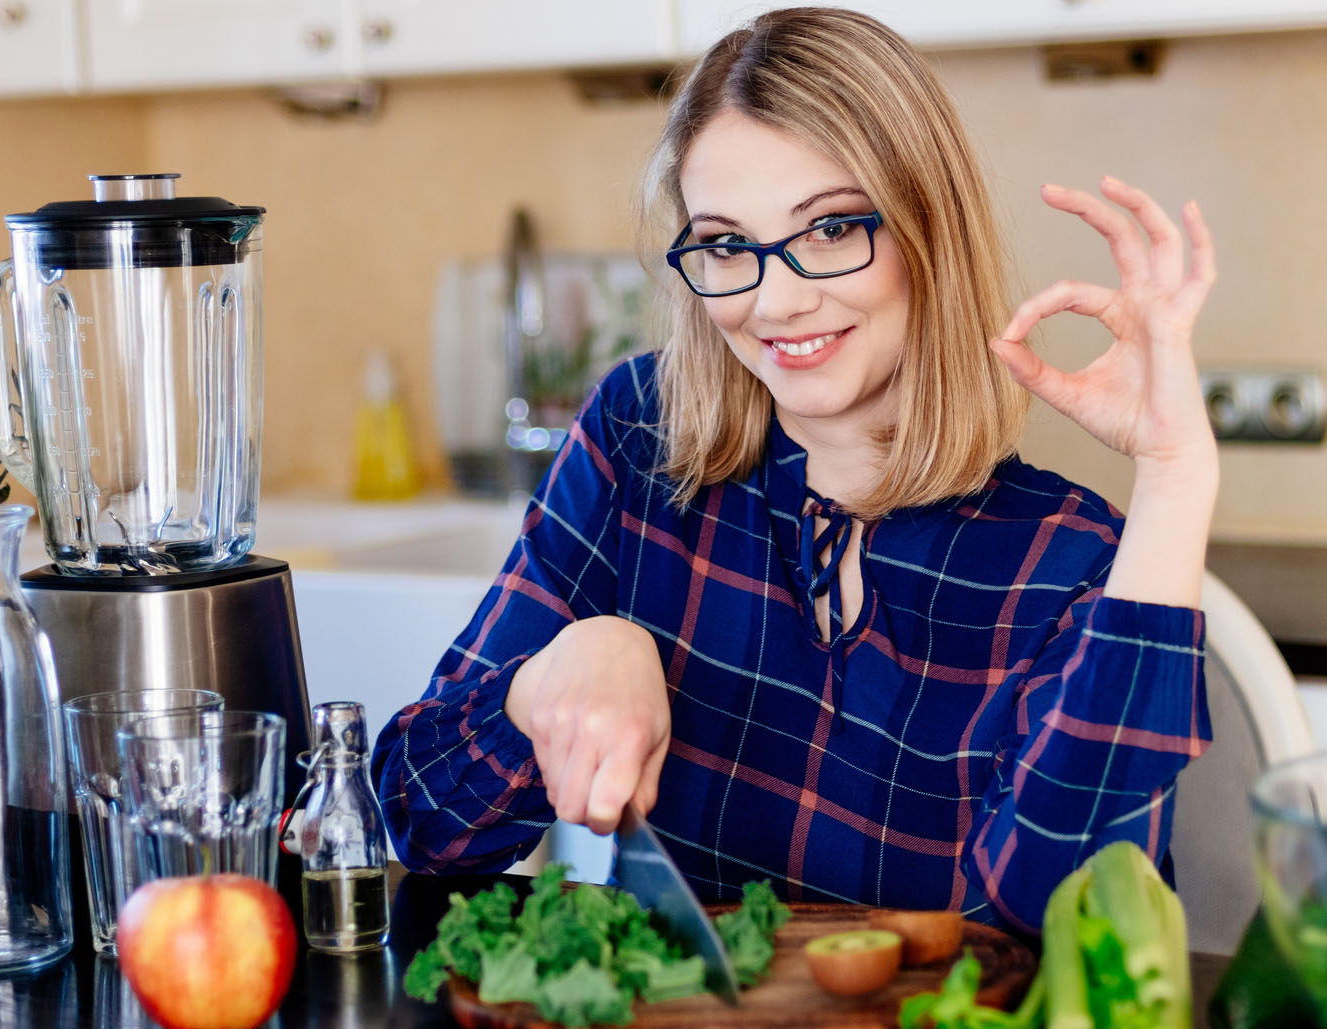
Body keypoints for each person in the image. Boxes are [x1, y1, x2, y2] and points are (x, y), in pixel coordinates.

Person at [372, 6, 1216, 934]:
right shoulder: (639, 438)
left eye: (830, 229)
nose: (774, 300)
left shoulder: (1068, 560)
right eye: (728, 244)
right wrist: (548, 681)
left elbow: (1081, 936)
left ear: (928, 230)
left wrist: (1175, 479)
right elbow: (422, 821)